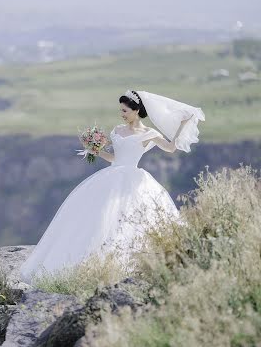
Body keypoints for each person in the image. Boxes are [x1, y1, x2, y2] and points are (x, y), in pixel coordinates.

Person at [19, 89, 205, 285]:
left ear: (136, 111)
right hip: (111, 177)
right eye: (121, 111)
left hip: (132, 180)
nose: (121, 115)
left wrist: (183, 124)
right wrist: (96, 150)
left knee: (129, 220)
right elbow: (114, 159)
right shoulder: (117, 130)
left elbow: (170, 148)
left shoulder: (149, 134)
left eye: (125, 111)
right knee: (97, 219)